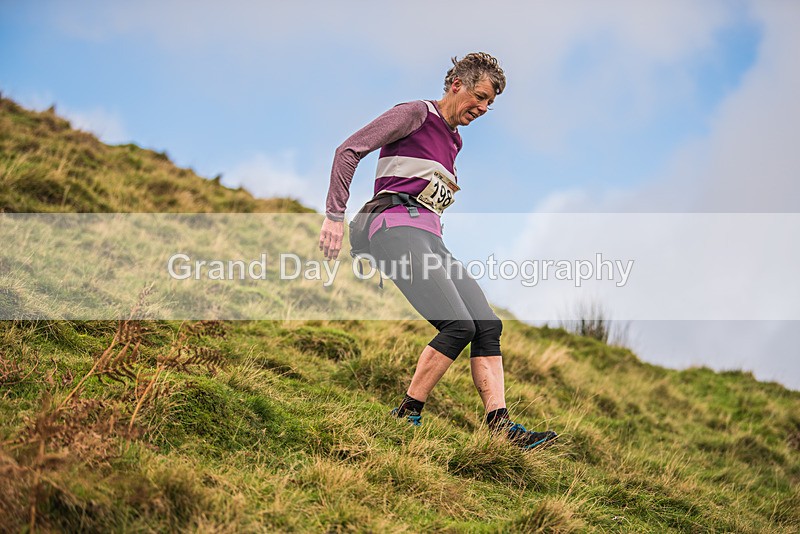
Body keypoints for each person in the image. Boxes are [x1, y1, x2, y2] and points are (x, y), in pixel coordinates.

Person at [318, 52, 557, 449]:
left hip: (429, 239)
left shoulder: (455, 140)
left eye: (489, 105)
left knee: (487, 325)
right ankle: (407, 413)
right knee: (458, 325)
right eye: (479, 97)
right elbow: (348, 151)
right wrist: (333, 216)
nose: (482, 108)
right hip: (393, 229)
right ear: (456, 85)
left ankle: (501, 427)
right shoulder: (414, 113)